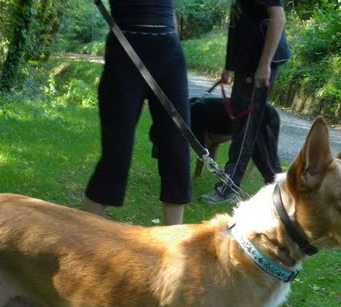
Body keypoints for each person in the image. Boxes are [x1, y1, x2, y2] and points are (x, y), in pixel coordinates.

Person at [83, 0, 191, 225]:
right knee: (116, 151)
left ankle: (176, 241)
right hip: (125, 52)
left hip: (169, 52)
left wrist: (171, 41)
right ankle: (81, 235)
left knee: (177, 149)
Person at [200, 0, 290, 204]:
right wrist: (229, 66)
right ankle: (278, 187)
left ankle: (229, 188)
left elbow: (278, 18)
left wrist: (264, 65)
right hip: (246, 63)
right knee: (252, 129)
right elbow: (237, 25)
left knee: (245, 128)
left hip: (259, 65)